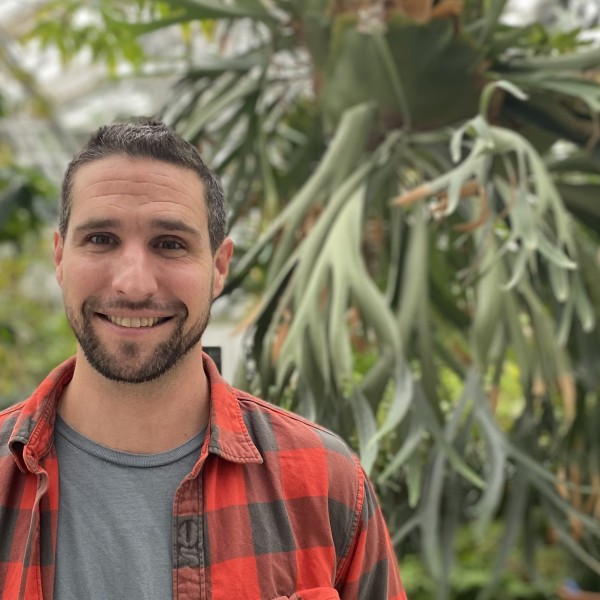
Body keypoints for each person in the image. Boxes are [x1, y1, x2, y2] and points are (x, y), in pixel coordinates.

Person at [0, 121, 407, 600]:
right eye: (101, 239)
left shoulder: (325, 482)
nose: (134, 284)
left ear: (218, 268)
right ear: (60, 257)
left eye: (170, 244)